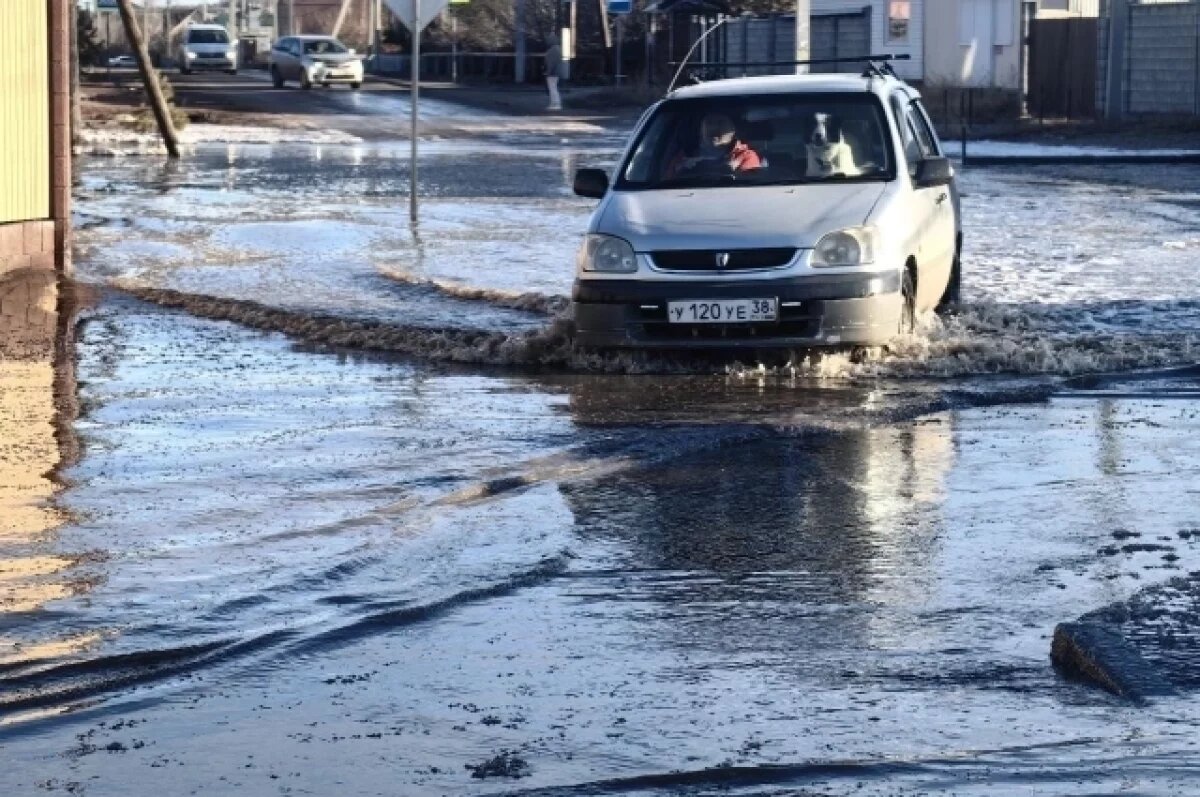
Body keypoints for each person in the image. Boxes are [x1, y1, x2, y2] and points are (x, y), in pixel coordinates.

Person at [667, 113, 761, 178]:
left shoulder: (745, 156)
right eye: (709, 122)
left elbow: (748, 189)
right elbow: (668, 184)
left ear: (733, 129)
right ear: (701, 129)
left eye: (721, 122)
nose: (714, 128)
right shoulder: (683, 156)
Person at [544, 34, 563, 112]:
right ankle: (554, 103)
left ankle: (555, 104)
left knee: (552, 88)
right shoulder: (558, 49)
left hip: (552, 72)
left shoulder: (552, 51)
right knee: (553, 88)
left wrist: (548, 72)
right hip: (556, 72)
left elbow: (550, 63)